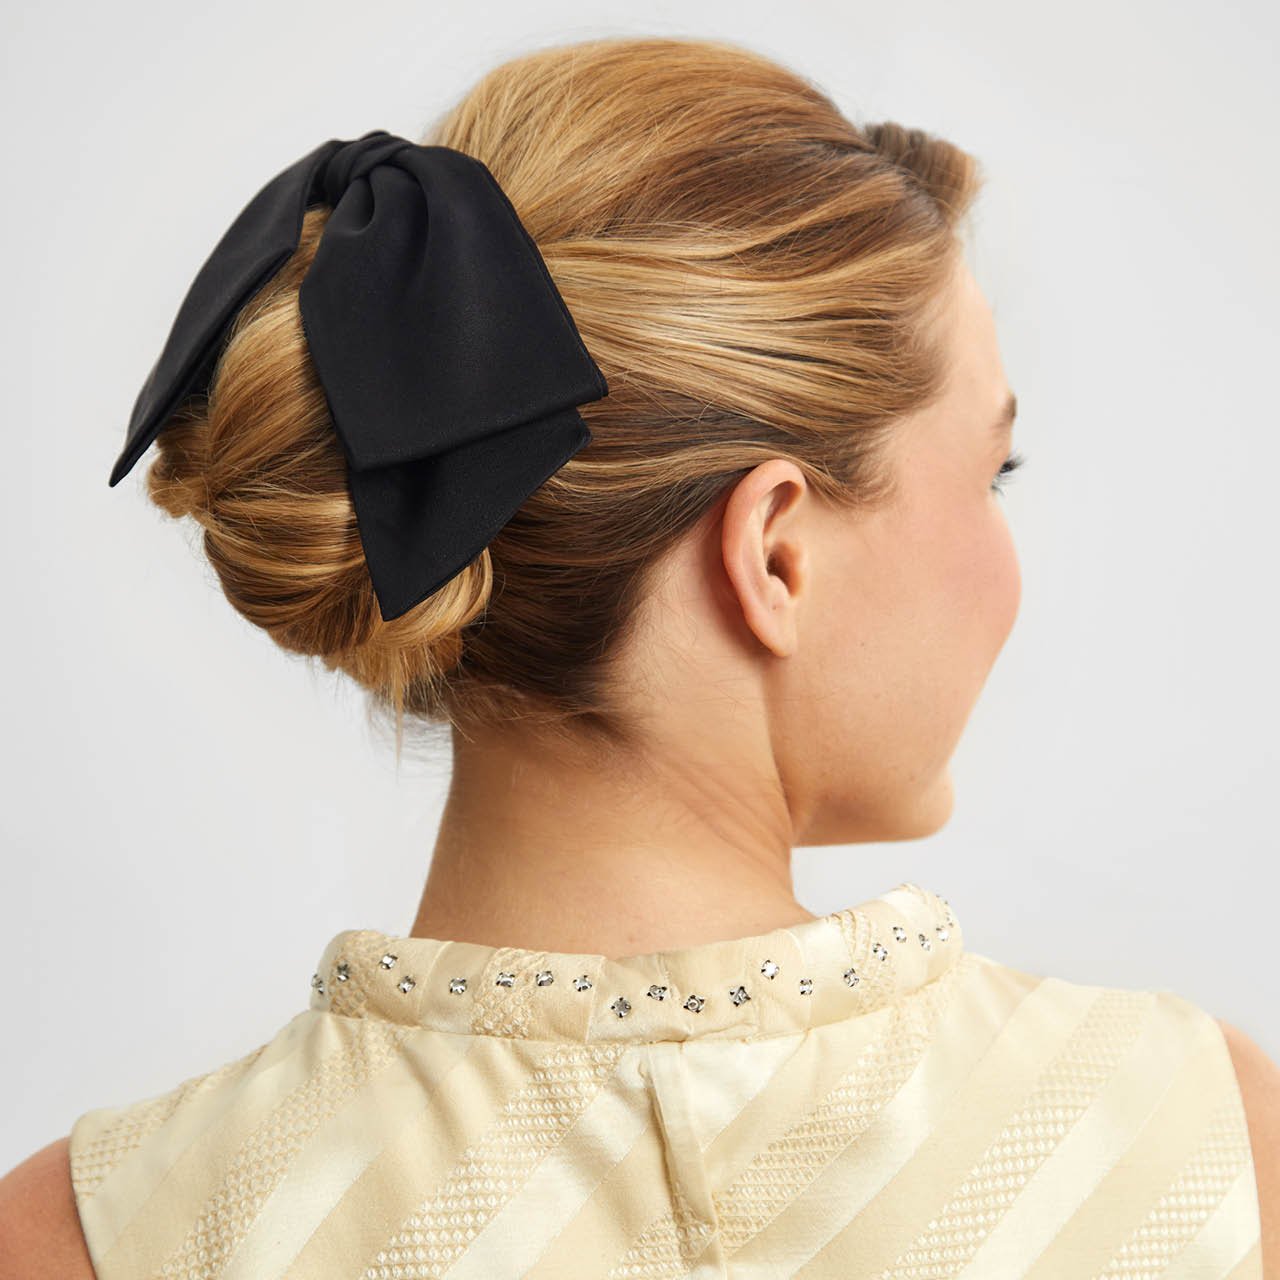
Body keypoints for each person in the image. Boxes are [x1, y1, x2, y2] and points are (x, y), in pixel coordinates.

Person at [2, 33, 1276, 1280]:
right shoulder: (1202, 1144)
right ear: (775, 553)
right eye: (990, 472)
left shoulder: (85, 1235)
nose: (1007, 563)